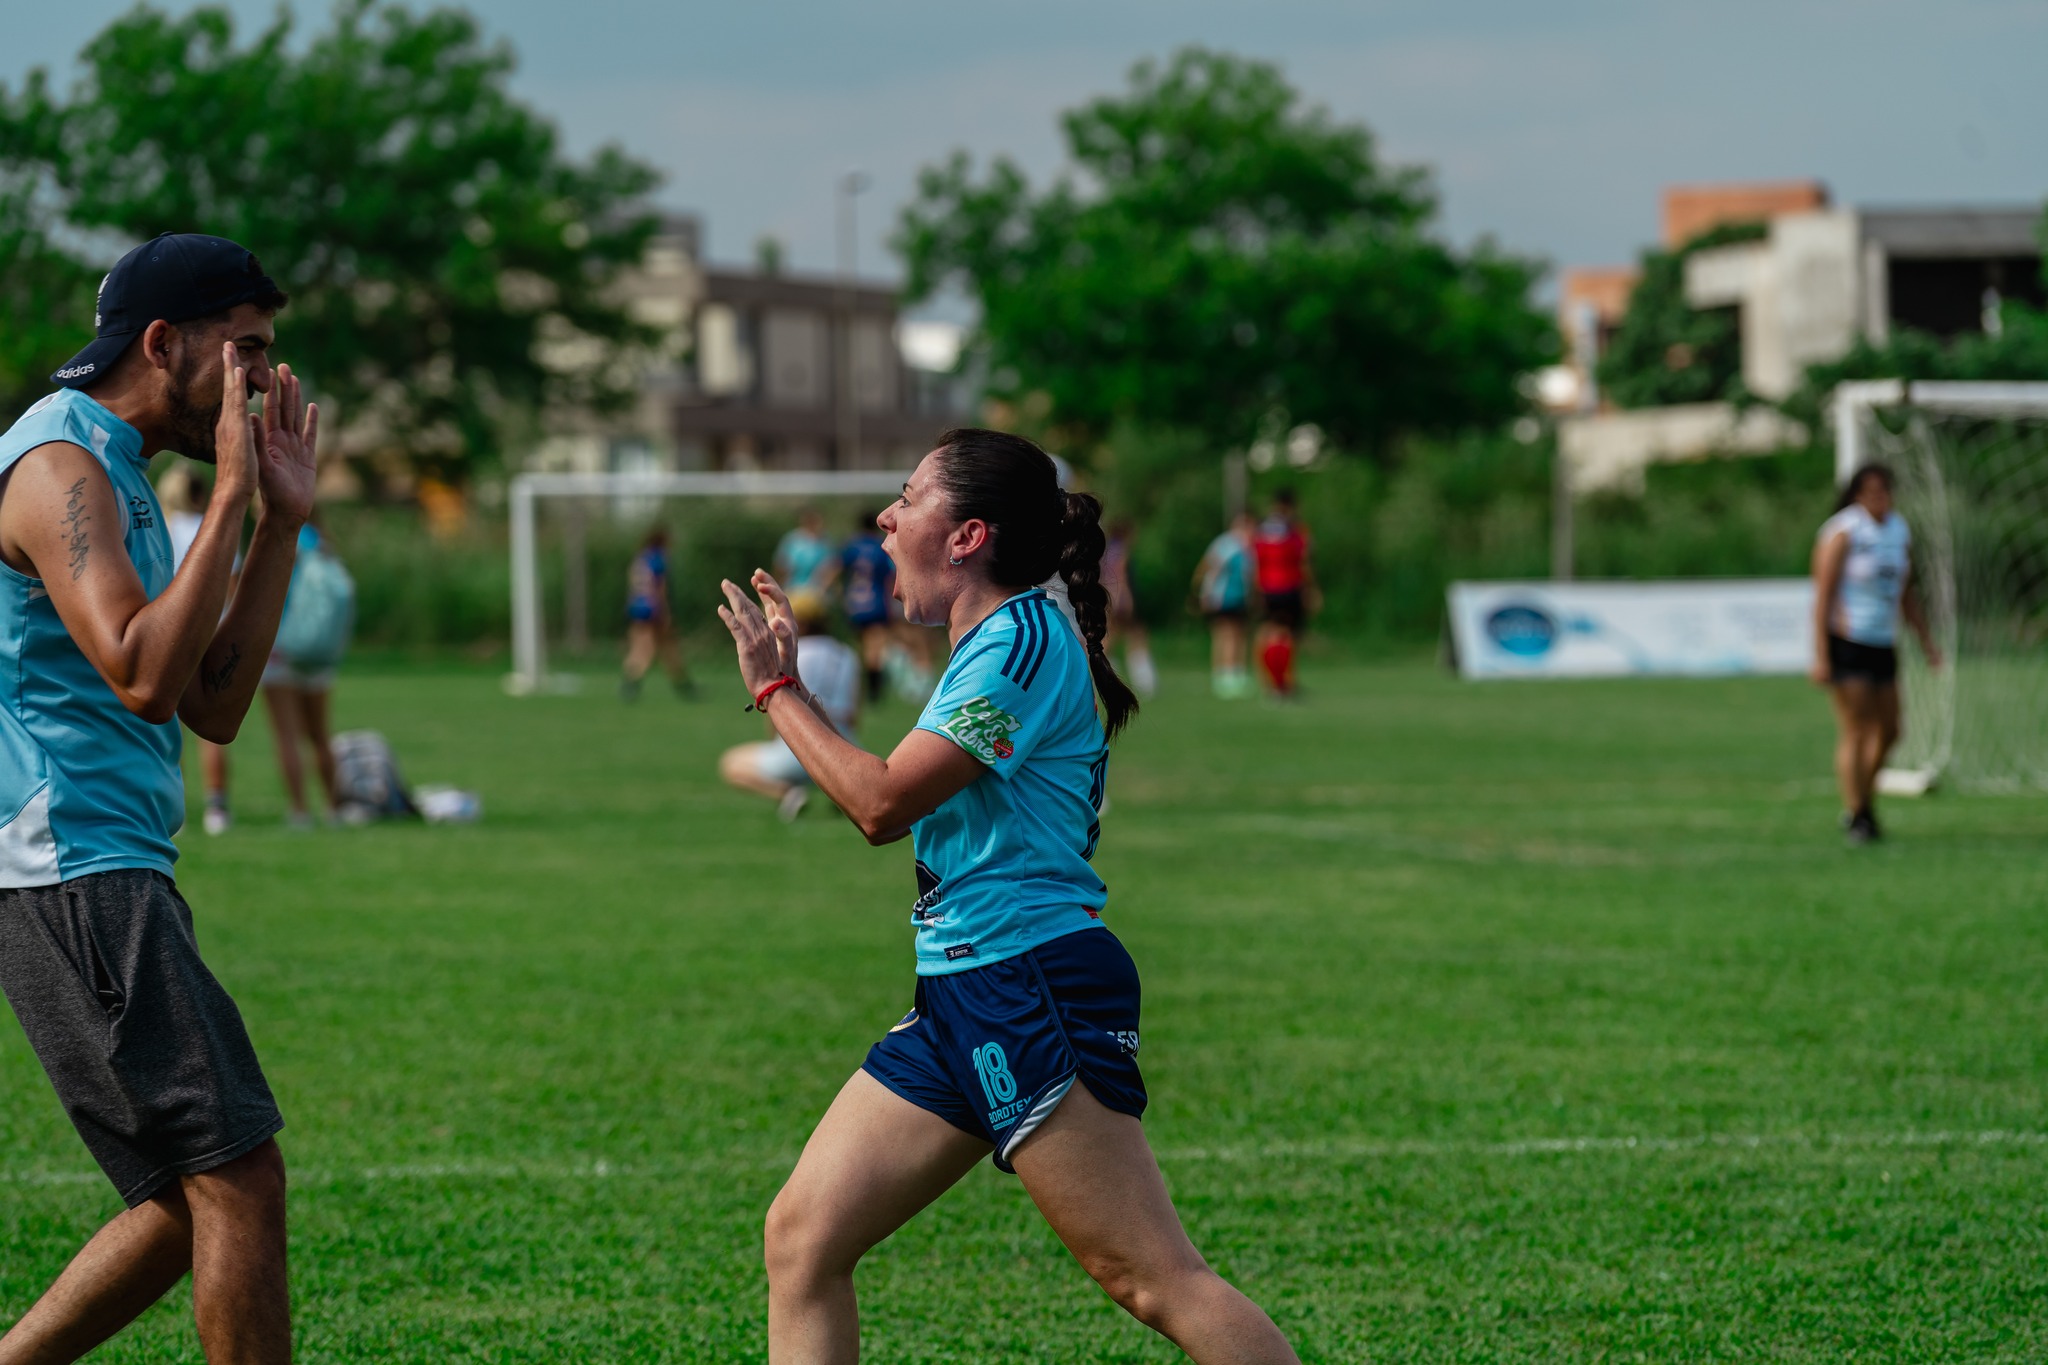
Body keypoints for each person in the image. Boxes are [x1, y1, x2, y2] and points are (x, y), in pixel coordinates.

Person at [716, 427, 1300, 1364]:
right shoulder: (997, 639)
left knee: (1150, 1276)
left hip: (1031, 986)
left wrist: (778, 687)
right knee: (803, 1238)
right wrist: (792, 694)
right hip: (963, 989)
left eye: (907, 498)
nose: (885, 516)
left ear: (966, 536)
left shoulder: (1019, 646)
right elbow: (888, 788)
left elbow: (879, 805)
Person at [0, 232, 316, 1365]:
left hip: (107, 868)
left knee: (193, 1198)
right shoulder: (57, 468)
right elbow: (139, 671)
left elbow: (210, 704)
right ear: (161, 343)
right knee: (239, 1175)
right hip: (70, 868)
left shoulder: (119, 471)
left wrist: (275, 524)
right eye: (246, 353)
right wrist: (232, 488)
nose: (265, 381)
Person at [1811, 463, 1940, 844]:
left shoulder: (1898, 531)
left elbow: (1905, 592)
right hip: (1849, 642)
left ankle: (1859, 803)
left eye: (1885, 491)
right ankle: (1861, 813)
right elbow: (1822, 596)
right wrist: (1821, 654)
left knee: (1891, 730)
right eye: (1872, 491)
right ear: (1857, 495)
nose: (1880, 498)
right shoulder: (1843, 532)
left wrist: (1926, 642)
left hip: (1884, 641)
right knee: (1858, 728)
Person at [718, 590, 862, 821]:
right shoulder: (848, 655)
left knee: (731, 764)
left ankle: (788, 794)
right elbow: (855, 717)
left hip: (797, 750)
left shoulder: (794, 653)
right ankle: (842, 795)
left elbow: (777, 713)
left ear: (800, 623)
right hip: (844, 748)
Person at [159, 465, 236, 832]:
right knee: (210, 725)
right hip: (212, 631)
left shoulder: (161, 529)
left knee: (172, 728)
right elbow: (232, 587)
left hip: (169, 635)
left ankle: (178, 805)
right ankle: (217, 806)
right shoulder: (210, 527)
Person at [261, 519, 349, 829]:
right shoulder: (318, 539)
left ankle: (299, 811)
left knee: (287, 735)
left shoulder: (277, 533)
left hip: (281, 644)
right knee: (320, 734)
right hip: (316, 646)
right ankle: (333, 808)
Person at [1253, 489, 1319, 698]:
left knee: (1266, 634)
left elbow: (1255, 561)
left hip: (1266, 588)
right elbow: (1304, 561)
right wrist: (1312, 589)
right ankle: (1285, 681)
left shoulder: (1262, 530)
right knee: (1288, 636)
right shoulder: (1296, 530)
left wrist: (1256, 588)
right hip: (1289, 587)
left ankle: (1268, 682)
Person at [621, 524, 692, 700]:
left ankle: (683, 685)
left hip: (637, 607)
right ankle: (631, 684)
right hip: (652, 609)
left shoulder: (641, 558)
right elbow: (659, 588)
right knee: (649, 648)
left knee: (663, 646)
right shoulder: (658, 559)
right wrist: (665, 611)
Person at [1192, 509, 1257, 699]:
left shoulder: (1248, 548)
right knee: (1225, 634)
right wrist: (1203, 593)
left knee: (1240, 634)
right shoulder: (1227, 544)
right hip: (1222, 597)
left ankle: (1236, 673)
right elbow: (1208, 568)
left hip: (1240, 597)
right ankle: (1223, 677)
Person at [839, 509, 896, 704]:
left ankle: (856, 688)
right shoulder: (880, 547)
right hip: (876, 602)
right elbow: (890, 576)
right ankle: (874, 693)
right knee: (875, 650)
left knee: (860, 648)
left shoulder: (852, 547)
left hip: (855, 603)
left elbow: (835, 568)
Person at [1102, 519, 1157, 698]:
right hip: (1121, 599)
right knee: (1137, 636)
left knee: (1109, 638)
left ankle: (1105, 676)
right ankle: (1144, 680)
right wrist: (1124, 599)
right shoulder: (1121, 550)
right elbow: (1121, 575)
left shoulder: (1107, 549)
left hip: (1108, 599)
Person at [775, 507, 837, 596]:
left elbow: (832, 569)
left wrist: (823, 588)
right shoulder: (792, 540)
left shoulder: (826, 542)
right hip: (793, 589)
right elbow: (781, 567)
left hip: (817, 593)